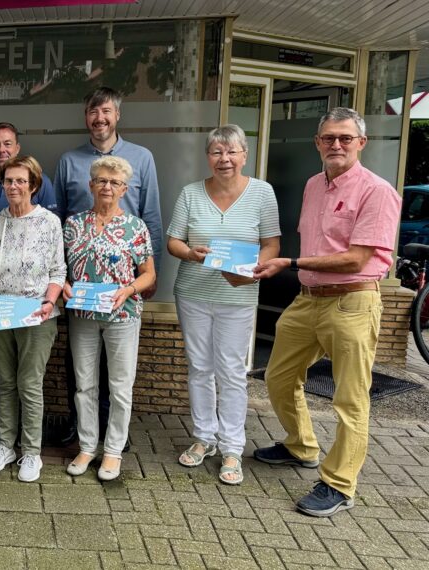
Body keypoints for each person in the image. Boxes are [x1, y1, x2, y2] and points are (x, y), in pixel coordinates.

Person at [252, 107, 401, 517]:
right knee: (279, 376)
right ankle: (301, 446)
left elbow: (356, 258)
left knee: (350, 399)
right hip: (308, 299)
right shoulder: (313, 184)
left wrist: (290, 263)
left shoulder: (377, 191)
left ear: (361, 143)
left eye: (345, 138)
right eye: (329, 138)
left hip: (353, 301)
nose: (336, 144)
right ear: (318, 143)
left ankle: (339, 483)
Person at [166, 125, 281, 485]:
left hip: (238, 295)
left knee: (231, 371)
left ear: (244, 155)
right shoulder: (190, 193)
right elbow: (173, 241)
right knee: (199, 367)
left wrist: (254, 269)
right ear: (208, 157)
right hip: (193, 292)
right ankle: (204, 438)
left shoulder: (262, 192)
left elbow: (272, 244)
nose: (224, 159)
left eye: (232, 151)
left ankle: (232, 447)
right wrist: (190, 253)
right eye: (217, 152)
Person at [53, 86, 163, 447]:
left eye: (106, 112)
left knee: (117, 375)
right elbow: (59, 221)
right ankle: (83, 432)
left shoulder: (142, 158)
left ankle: (114, 437)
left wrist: (148, 278)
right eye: (93, 112)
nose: (99, 118)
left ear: (117, 115)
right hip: (82, 291)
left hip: (122, 290)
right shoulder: (69, 160)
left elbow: (151, 217)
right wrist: (60, 280)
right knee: (81, 371)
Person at [0, 155, 65, 483]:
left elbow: (58, 270)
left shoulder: (49, 223)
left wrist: (49, 301)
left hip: (36, 315)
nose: (14, 186)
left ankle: (31, 452)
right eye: (9, 180)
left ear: (33, 185)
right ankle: (6, 445)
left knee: (29, 383)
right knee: (6, 382)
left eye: (21, 181)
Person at [63, 155, 155, 481]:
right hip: (83, 314)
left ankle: (113, 451)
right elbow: (59, 268)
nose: (107, 187)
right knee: (84, 385)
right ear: (91, 185)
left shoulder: (135, 227)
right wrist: (63, 285)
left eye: (115, 182)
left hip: (122, 314)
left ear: (124, 189)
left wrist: (129, 290)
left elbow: (148, 274)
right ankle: (87, 446)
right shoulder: (73, 225)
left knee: (120, 386)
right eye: (101, 180)